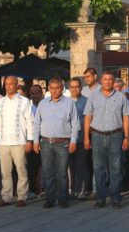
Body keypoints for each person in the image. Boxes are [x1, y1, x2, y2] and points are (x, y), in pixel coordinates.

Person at [84, 72, 129, 209]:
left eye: (110, 79)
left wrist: (127, 137)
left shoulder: (121, 96)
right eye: (105, 79)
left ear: (113, 81)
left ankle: (116, 198)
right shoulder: (93, 96)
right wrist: (86, 137)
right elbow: (88, 117)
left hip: (115, 135)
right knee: (99, 168)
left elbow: (126, 117)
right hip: (97, 135)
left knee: (115, 168)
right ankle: (100, 198)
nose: (108, 82)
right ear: (101, 81)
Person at [33, 78, 79, 209]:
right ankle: (50, 198)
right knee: (48, 172)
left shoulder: (69, 103)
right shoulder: (43, 104)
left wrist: (73, 141)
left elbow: (75, 124)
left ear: (62, 88)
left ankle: (63, 198)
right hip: (46, 142)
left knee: (62, 173)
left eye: (57, 88)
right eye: (52, 88)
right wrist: (36, 141)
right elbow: (37, 123)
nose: (54, 90)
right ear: (48, 88)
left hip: (62, 143)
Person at [0, 76, 33, 208]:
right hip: (3, 142)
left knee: (21, 169)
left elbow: (30, 122)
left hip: (19, 141)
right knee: (5, 171)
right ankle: (6, 197)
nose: (8, 86)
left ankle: (22, 196)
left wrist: (29, 140)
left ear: (16, 85)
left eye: (11, 84)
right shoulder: (1, 102)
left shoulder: (24, 101)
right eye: (6, 84)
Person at [68, 77, 90, 200]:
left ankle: (82, 189)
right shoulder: (65, 101)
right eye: (72, 87)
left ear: (81, 88)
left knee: (81, 164)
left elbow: (89, 119)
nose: (74, 89)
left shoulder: (87, 101)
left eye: (77, 86)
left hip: (81, 138)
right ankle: (72, 189)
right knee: (70, 165)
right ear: (69, 88)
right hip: (68, 139)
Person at [27, 84, 44, 197]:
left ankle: (45, 187)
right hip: (32, 140)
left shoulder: (46, 105)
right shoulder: (28, 107)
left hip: (45, 139)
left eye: (36, 93)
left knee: (46, 166)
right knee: (32, 166)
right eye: (32, 93)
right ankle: (33, 189)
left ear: (41, 94)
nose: (34, 95)